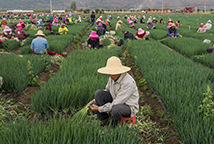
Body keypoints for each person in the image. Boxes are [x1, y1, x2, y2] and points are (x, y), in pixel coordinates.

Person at [87, 56, 139, 126]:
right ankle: (104, 119)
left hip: (128, 106)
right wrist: (94, 101)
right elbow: (107, 90)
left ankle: (114, 126)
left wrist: (99, 109)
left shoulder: (128, 82)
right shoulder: (112, 77)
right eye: (110, 72)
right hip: (115, 100)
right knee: (98, 94)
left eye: (114, 72)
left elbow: (118, 102)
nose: (112, 75)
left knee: (116, 109)